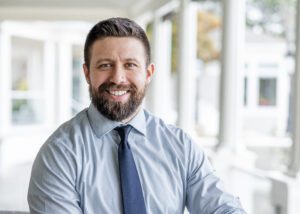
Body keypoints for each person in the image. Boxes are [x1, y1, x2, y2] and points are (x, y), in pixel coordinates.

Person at [27, 17, 246, 214]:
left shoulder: (180, 146)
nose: (118, 78)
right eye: (105, 65)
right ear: (87, 73)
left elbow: (221, 207)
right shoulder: (58, 154)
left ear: (148, 73)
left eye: (130, 65)